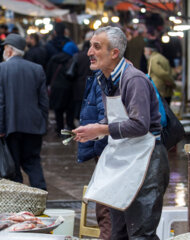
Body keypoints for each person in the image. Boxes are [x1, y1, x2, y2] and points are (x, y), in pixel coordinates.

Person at [73, 26, 169, 239]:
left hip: (147, 161)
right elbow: (116, 118)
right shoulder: (104, 79)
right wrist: (94, 132)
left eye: (96, 47)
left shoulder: (133, 79)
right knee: (117, 233)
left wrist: (102, 129)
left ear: (114, 53)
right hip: (124, 161)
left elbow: (140, 124)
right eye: (90, 46)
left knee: (141, 233)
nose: (89, 52)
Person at [0, 34, 49, 190]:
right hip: (34, 126)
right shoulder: (37, 69)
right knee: (33, 163)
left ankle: (18, 204)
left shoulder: (0, 70)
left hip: (11, 127)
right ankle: (41, 197)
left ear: (9, 50)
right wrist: (43, 124)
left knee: (13, 169)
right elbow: (43, 101)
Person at [77, 70, 110, 239]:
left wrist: (97, 132)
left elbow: (108, 119)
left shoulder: (108, 79)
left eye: (96, 47)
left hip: (109, 151)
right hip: (105, 148)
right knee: (106, 208)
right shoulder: (99, 78)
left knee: (107, 209)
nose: (89, 52)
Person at [46, 41, 78, 134]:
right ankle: (69, 126)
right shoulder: (73, 59)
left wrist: (48, 84)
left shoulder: (54, 59)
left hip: (56, 88)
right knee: (69, 109)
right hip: (69, 88)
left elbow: (48, 73)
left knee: (58, 110)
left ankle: (59, 128)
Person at [144, 40, 175, 105]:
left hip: (160, 90)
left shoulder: (153, 59)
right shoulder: (160, 57)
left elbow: (160, 73)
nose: (144, 53)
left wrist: (171, 82)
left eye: (145, 51)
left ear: (150, 51)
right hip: (164, 90)